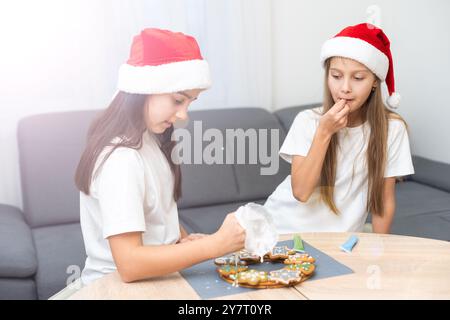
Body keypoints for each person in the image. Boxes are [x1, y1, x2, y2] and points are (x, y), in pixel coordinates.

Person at [74, 28, 245, 286]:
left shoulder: (151, 138)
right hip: (116, 288)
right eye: (178, 100)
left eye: (190, 103)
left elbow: (159, 215)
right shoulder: (121, 160)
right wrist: (215, 245)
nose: (183, 115)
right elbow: (130, 265)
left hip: (156, 281)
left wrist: (182, 242)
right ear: (143, 88)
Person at [264, 23, 414, 234]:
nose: (344, 87)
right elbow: (301, 192)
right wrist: (324, 132)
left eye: (358, 78)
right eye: (336, 76)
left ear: (374, 82)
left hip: (338, 241)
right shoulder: (307, 120)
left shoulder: (393, 129)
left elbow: (384, 201)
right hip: (281, 228)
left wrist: (382, 254)